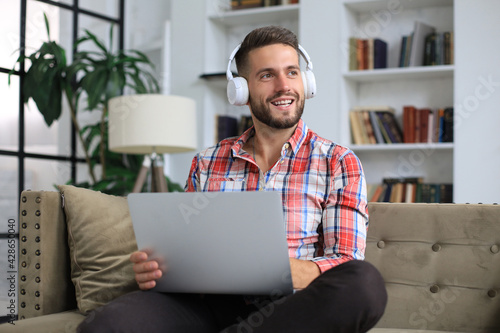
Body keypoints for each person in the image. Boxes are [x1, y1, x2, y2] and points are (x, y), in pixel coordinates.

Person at [78, 25, 387, 333]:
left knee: (364, 283)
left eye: (292, 72)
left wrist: (280, 271)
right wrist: (157, 270)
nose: (284, 86)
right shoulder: (207, 162)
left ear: (306, 81)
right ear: (240, 90)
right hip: (207, 304)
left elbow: (345, 261)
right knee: (105, 324)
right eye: (267, 75)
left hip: (291, 309)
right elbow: (186, 250)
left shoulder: (337, 162)